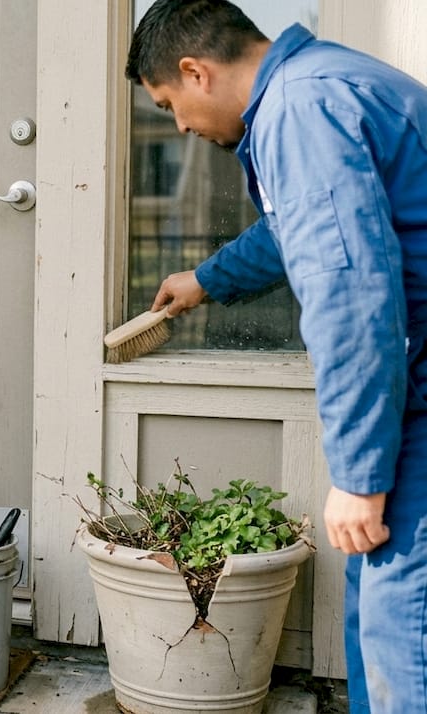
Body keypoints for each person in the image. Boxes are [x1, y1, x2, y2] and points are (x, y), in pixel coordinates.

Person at [126, 1, 427, 711]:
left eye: (171, 104)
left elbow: (352, 299)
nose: (180, 128)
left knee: (400, 628)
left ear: (197, 72)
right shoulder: (321, 86)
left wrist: (357, 474)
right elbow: (299, 226)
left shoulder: (302, 111)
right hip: (413, 387)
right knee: (377, 599)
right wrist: (206, 280)